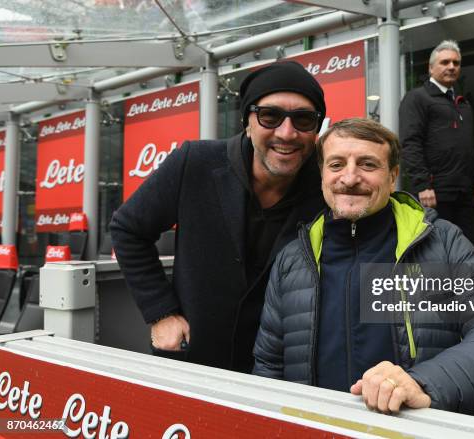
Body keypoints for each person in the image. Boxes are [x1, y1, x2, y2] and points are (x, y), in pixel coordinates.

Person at [253, 118, 474, 415]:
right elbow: (269, 364)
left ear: (393, 176)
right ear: (321, 175)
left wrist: (424, 384)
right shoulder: (292, 259)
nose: (349, 178)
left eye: (368, 165)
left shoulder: (442, 243)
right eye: (336, 165)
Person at [110, 61, 326, 372]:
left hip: (282, 372)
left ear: (316, 130)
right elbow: (128, 229)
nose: (287, 132)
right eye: (270, 116)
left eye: (304, 119)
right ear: (247, 122)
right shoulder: (195, 162)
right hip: (194, 360)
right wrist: (161, 313)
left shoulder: (327, 188)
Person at [399, 39, 474, 244]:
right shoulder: (417, 99)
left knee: (464, 249)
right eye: (445, 62)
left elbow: (470, 147)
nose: (451, 67)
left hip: (464, 193)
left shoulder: (463, 104)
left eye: (456, 63)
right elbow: (410, 143)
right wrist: (422, 185)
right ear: (431, 68)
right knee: (437, 251)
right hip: (434, 194)